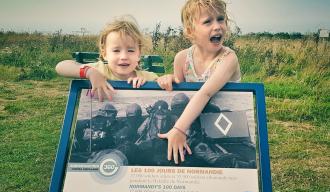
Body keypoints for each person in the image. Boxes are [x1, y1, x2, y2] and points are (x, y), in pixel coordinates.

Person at [157, 0, 241, 164]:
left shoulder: (229, 58)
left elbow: (206, 92)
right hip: (196, 125)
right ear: (190, 31)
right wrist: (167, 80)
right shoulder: (182, 59)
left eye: (220, 19)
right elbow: (181, 96)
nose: (217, 26)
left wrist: (179, 129)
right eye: (208, 21)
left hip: (223, 123)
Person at [55, 15, 158, 101]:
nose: (124, 57)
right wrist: (89, 72)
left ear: (139, 54)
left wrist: (158, 82)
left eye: (130, 50)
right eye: (116, 50)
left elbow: (168, 86)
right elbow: (61, 66)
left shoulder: (148, 78)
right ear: (104, 54)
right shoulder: (99, 70)